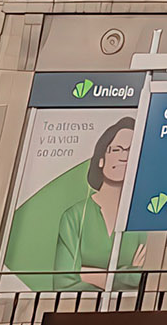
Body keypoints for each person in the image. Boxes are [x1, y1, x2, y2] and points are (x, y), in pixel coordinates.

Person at [53, 115, 148, 289]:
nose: (124, 157)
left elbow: (142, 280)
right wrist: (125, 275)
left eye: (131, 150)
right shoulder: (74, 216)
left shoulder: (145, 218)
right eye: (117, 149)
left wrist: (89, 274)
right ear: (101, 159)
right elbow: (63, 284)